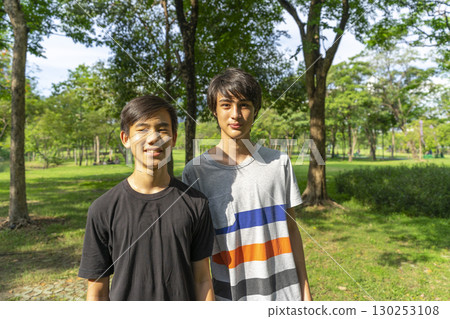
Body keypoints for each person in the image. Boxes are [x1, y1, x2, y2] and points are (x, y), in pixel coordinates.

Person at [182, 68, 312, 301]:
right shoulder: (195, 172)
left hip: (285, 294)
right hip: (230, 296)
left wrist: (305, 292)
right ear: (214, 110)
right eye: (226, 105)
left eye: (244, 105)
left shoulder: (279, 163)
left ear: (255, 110)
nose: (236, 114)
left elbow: (292, 230)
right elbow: (197, 253)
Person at [79, 95, 215, 301]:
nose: (153, 138)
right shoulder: (103, 209)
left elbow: (202, 280)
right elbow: (97, 291)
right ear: (125, 139)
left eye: (162, 129)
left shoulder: (196, 203)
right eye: (142, 129)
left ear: (174, 138)